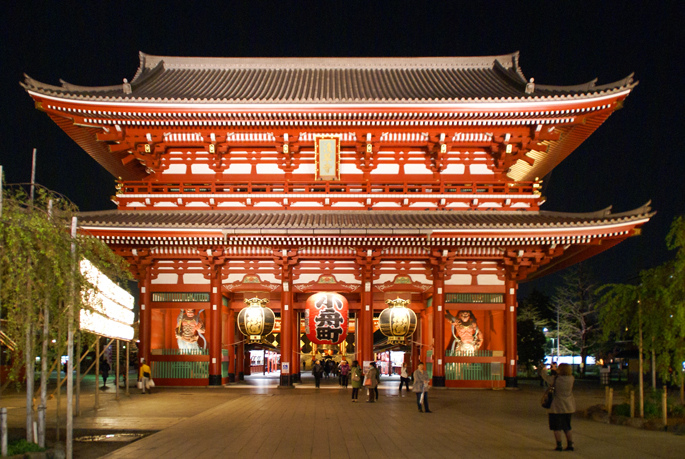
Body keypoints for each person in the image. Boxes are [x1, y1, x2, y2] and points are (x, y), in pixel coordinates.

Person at [538, 362, 575, 451]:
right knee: (567, 426)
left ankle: (559, 445)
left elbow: (545, 376)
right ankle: (570, 444)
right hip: (569, 405)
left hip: (556, 406)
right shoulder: (571, 378)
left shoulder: (555, 379)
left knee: (556, 427)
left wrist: (544, 369)